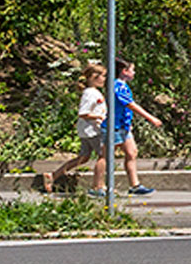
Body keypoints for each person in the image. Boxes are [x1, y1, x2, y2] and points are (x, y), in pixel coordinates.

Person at [50, 62, 110, 194]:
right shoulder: (91, 94)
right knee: (104, 156)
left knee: (84, 157)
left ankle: (54, 175)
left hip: (87, 130)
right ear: (94, 77)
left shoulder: (92, 92)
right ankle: (98, 186)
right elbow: (83, 113)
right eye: (103, 76)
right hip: (92, 130)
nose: (104, 79)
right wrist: (99, 117)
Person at [112, 61, 169, 196]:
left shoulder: (123, 86)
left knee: (132, 153)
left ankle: (135, 185)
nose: (134, 73)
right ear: (124, 71)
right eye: (132, 70)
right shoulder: (117, 86)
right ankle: (101, 186)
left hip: (123, 126)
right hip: (114, 126)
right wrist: (151, 118)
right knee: (106, 157)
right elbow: (130, 105)